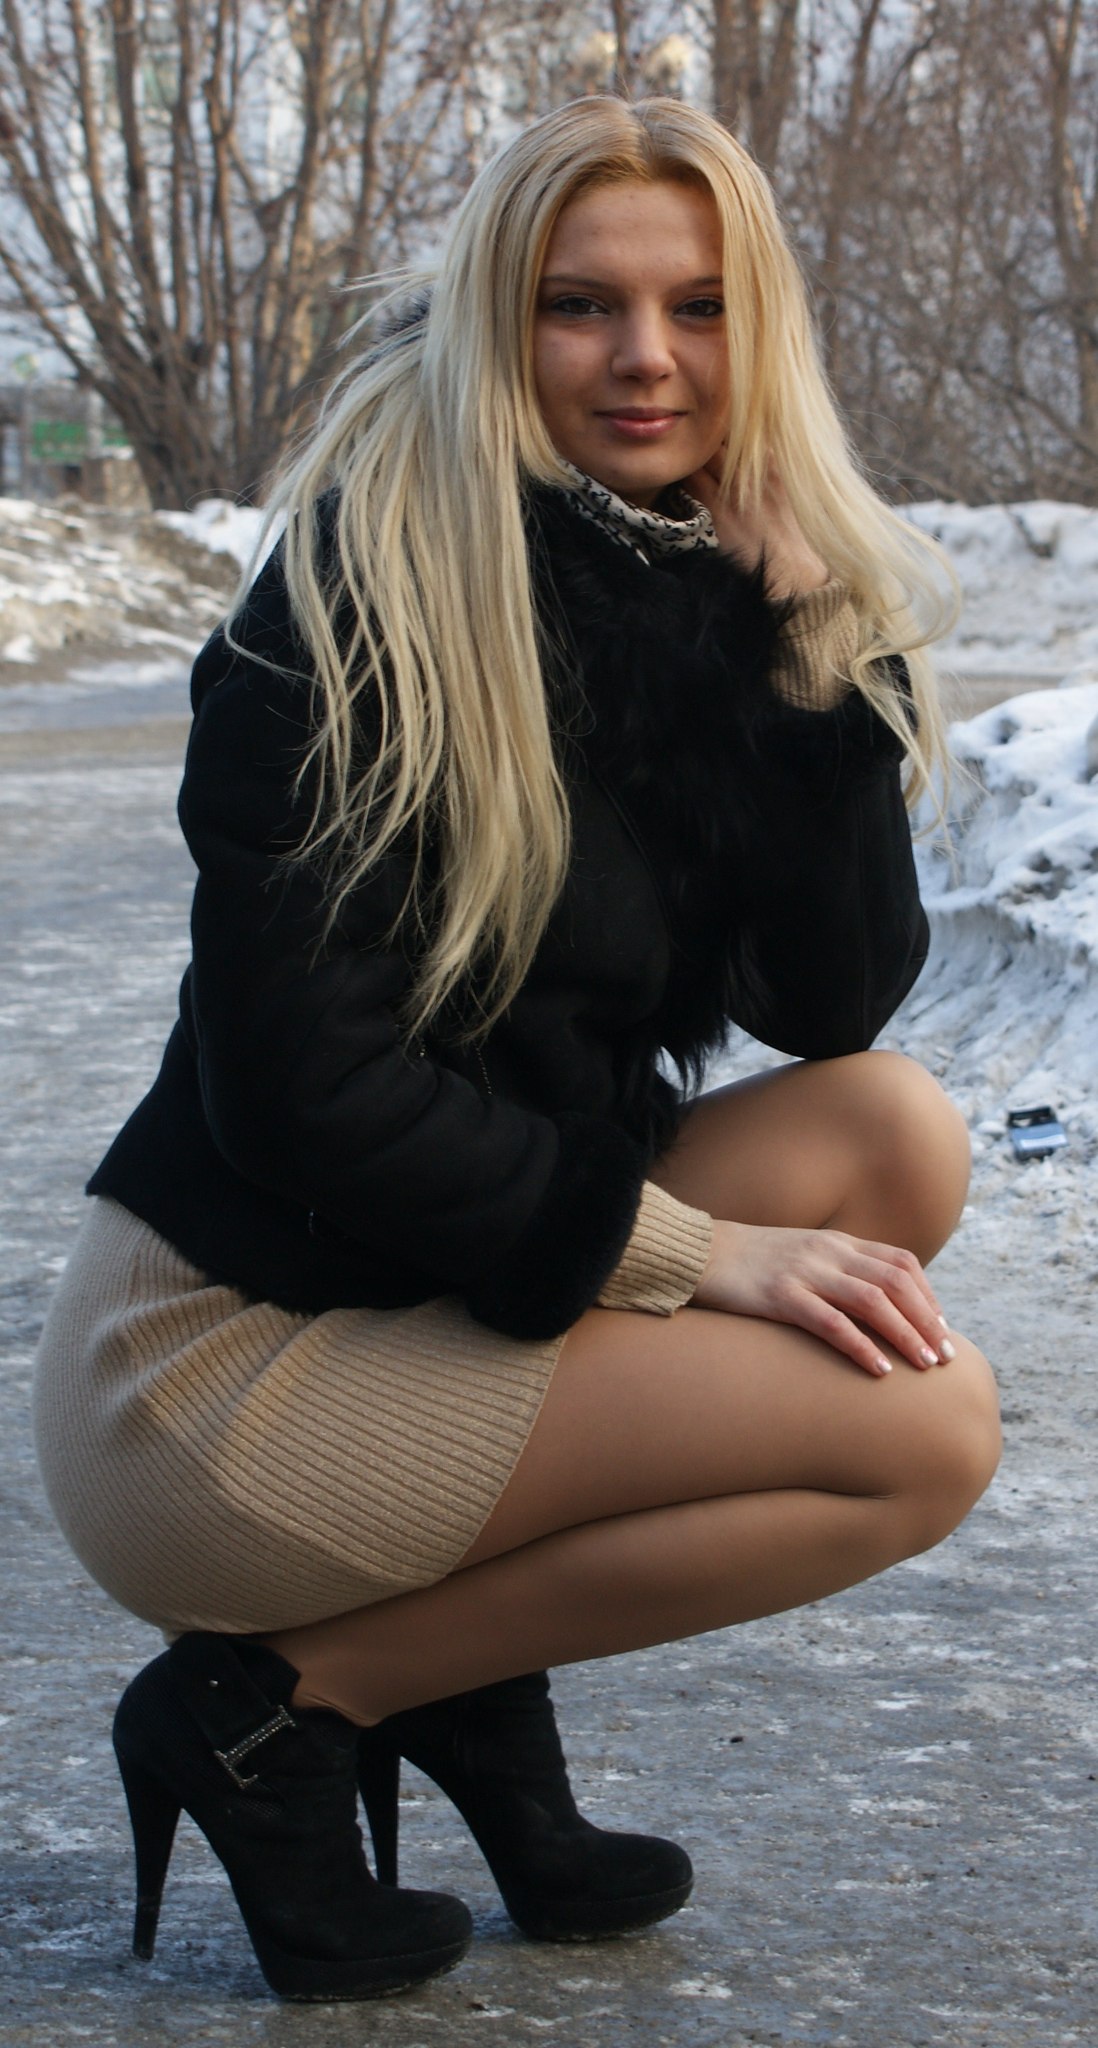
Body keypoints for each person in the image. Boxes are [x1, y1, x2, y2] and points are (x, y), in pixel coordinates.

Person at [33, 95, 1001, 2003]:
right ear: (500, 318)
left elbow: (831, 1005)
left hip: (432, 1288)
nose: (647, 358)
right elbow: (303, 1091)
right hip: (225, 1373)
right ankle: (283, 1706)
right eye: (582, 305)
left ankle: (462, 1685)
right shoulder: (357, 605)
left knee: (890, 1133)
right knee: (920, 1433)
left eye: (698, 307)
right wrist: (692, 1255)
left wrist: (810, 650)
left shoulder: (700, 579)